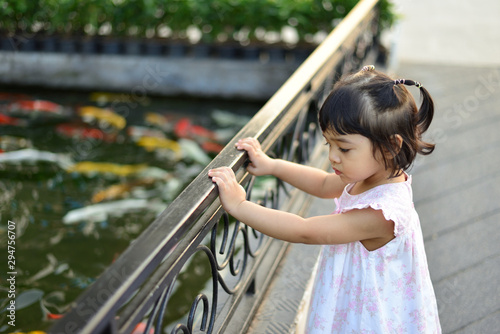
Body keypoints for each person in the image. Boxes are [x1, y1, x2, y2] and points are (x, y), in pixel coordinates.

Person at [208, 65, 441, 333]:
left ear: (391, 146)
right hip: (353, 297)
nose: (332, 156)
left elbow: (304, 231)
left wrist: (239, 206)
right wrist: (273, 166)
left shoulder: (380, 214)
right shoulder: (371, 173)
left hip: (369, 316)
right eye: (327, 144)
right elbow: (322, 183)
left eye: (343, 147)